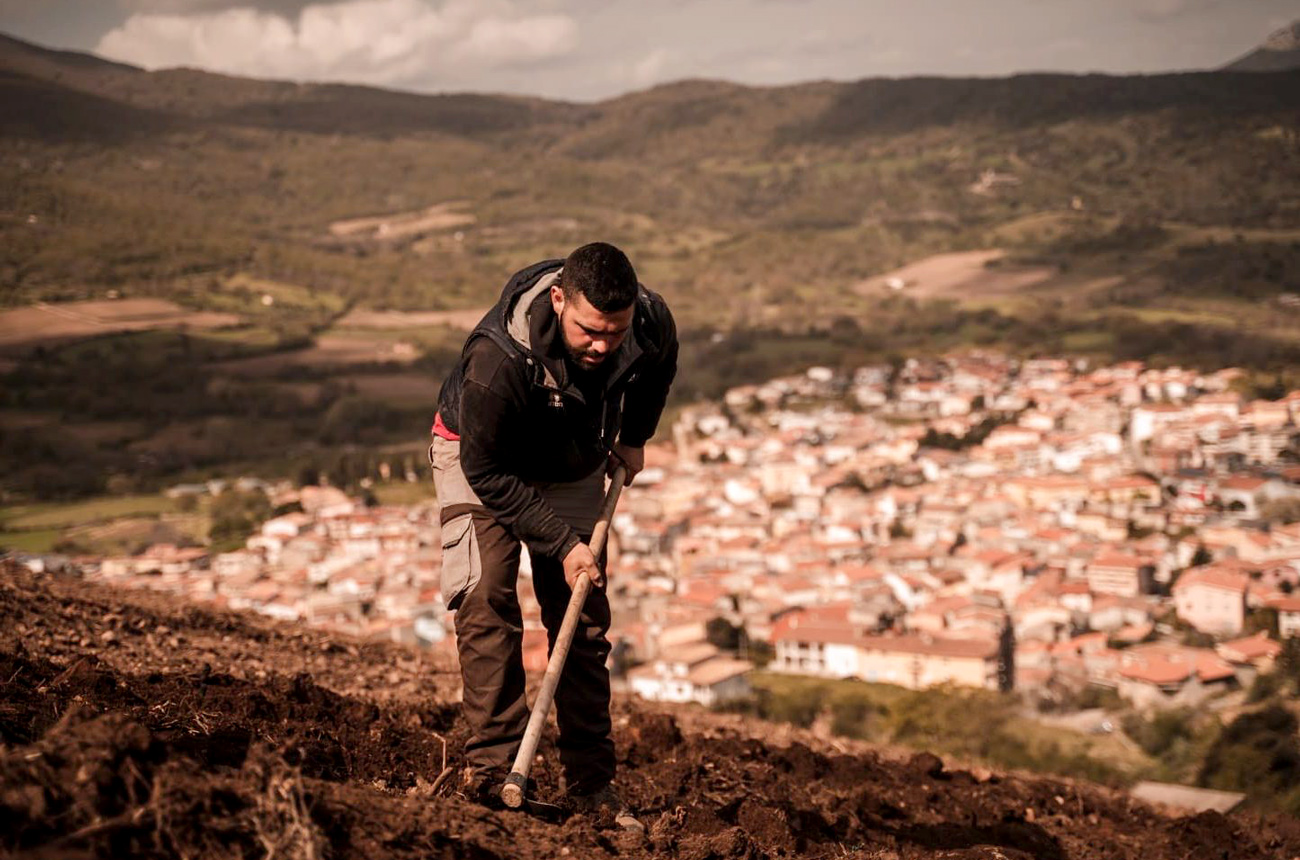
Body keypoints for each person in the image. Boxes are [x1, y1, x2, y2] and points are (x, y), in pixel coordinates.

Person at [429, 242, 678, 829]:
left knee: (582, 614)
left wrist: (635, 435)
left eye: (613, 334)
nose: (602, 346)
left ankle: (592, 785)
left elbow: (659, 368)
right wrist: (563, 545)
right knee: (486, 596)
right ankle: (493, 774)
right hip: (482, 458)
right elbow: (486, 472)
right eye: (590, 331)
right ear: (559, 299)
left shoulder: (648, 321)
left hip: (572, 459)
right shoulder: (497, 360)